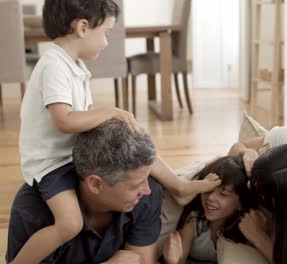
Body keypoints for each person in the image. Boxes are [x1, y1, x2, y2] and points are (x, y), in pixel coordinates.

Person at [14, 0, 219, 263]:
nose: (107, 42)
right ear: (83, 27)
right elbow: (64, 120)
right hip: (51, 165)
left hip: (68, 153)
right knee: (70, 224)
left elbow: (85, 116)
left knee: (134, 146)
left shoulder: (75, 66)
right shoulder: (53, 65)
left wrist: (118, 126)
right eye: (107, 33)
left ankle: (178, 185)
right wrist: (111, 111)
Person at [7, 119, 162, 263]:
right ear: (95, 184)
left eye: (146, 179)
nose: (147, 190)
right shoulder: (32, 211)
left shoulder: (145, 196)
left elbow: (142, 260)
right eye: (135, 185)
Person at [162, 156, 256, 264]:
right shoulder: (194, 221)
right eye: (208, 189)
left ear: (241, 204)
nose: (210, 198)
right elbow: (179, 260)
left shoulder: (247, 227)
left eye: (223, 193)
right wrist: (171, 260)